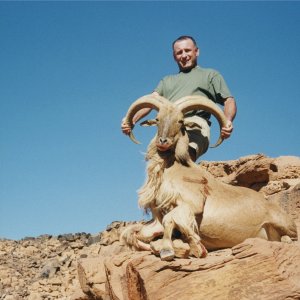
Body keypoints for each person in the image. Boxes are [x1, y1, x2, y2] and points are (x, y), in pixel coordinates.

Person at [122, 35, 237, 161]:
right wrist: (131, 121)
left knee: (183, 157)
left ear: (196, 51)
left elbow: (228, 100)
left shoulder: (210, 75)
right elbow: (150, 102)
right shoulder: (167, 81)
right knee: (154, 162)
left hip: (194, 123)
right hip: (167, 124)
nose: (184, 55)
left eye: (187, 50)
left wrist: (227, 121)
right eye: (179, 52)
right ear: (174, 57)